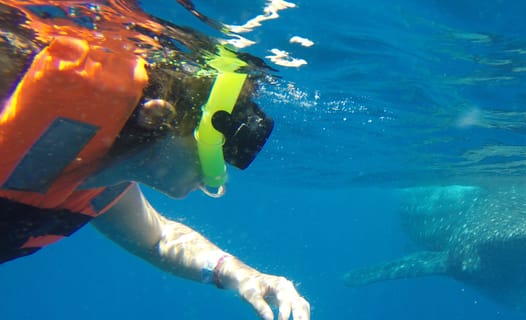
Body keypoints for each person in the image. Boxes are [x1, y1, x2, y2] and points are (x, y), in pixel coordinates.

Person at [0, 2, 309, 320]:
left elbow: (159, 240)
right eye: (215, 151)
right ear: (160, 117)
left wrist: (241, 276)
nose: (216, 175)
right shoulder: (11, 84)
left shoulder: (101, 182)